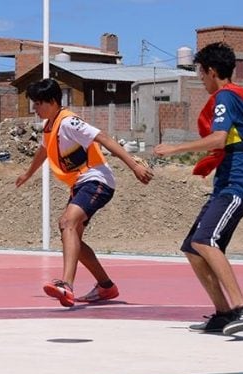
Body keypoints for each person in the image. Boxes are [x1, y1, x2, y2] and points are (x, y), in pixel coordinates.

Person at [154, 42, 243, 336]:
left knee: (206, 241)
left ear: (212, 71)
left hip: (238, 181)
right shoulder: (236, 96)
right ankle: (223, 312)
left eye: (200, 74)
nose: (200, 80)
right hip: (229, 181)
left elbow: (218, 139)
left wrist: (176, 148)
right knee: (193, 246)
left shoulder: (225, 98)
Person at [15, 78, 153, 308]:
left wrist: (134, 166)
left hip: (97, 180)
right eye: (34, 103)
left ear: (52, 101)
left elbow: (104, 138)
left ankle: (66, 285)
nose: (35, 108)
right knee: (73, 238)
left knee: (66, 222)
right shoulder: (49, 126)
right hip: (80, 184)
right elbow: (43, 150)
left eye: (39, 103)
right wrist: (28, 173)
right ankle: (106, 287)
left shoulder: (69, 122)